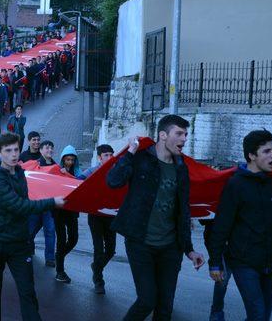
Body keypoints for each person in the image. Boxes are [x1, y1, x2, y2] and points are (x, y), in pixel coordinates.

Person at [107, 115, 205, 321]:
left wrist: (188, 248)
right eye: (179, 133)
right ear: (163, 135)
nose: (184, 139)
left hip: (171, 247)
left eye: (186, 134)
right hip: (140, 242)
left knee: (165, 307)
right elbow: (113, 181)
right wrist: (130, 152)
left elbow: (183, 210)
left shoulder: (181, 167)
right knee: (147, 300)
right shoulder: (141, 159)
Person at [0, 132, 65, 321]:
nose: (13, 154)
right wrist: (52, 202)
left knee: (27, 291)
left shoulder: (19, 172)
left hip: (19, 242)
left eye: (16, 150)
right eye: (8, 150)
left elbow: (25, 200)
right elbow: (19, 206)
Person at [207, 129, 272, 321]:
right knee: (258, 315)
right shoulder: (236, 185)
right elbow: (221, 226)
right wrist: (215, 263)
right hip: (244, 262)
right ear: (251, 156)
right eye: (267, 151)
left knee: (262, 317)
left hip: (270, 262)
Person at [79, 144, 116, 294]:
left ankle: (96, 266)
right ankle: (98, 281)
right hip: (95, 216)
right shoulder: (93, 171)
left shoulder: (117, 171)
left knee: (111, 250)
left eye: (111, 154)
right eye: (106, 155)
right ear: (99, 157)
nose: (109, 157)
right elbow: (77, 180)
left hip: (111, 215)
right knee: (98, 249)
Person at [52, 145, 83, 284]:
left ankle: (58, 257)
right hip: (59, 211)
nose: (69, 162)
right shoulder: (58, 171)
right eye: (67, 159)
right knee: (61, 240)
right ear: (63, 160)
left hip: (72, 211)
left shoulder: (78, 172)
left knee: (73, 239)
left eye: (71, 159)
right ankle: (60, 270)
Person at [28, 141, 58, 268]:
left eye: (51, 148)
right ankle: (26, 251)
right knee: (30, 230)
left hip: (49, 205)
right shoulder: (34, 165)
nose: (49, 150)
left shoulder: (56, 167)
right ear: (40, 150)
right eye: (47, 148)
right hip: (36, 204)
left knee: (50, 231)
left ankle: (50, 258)